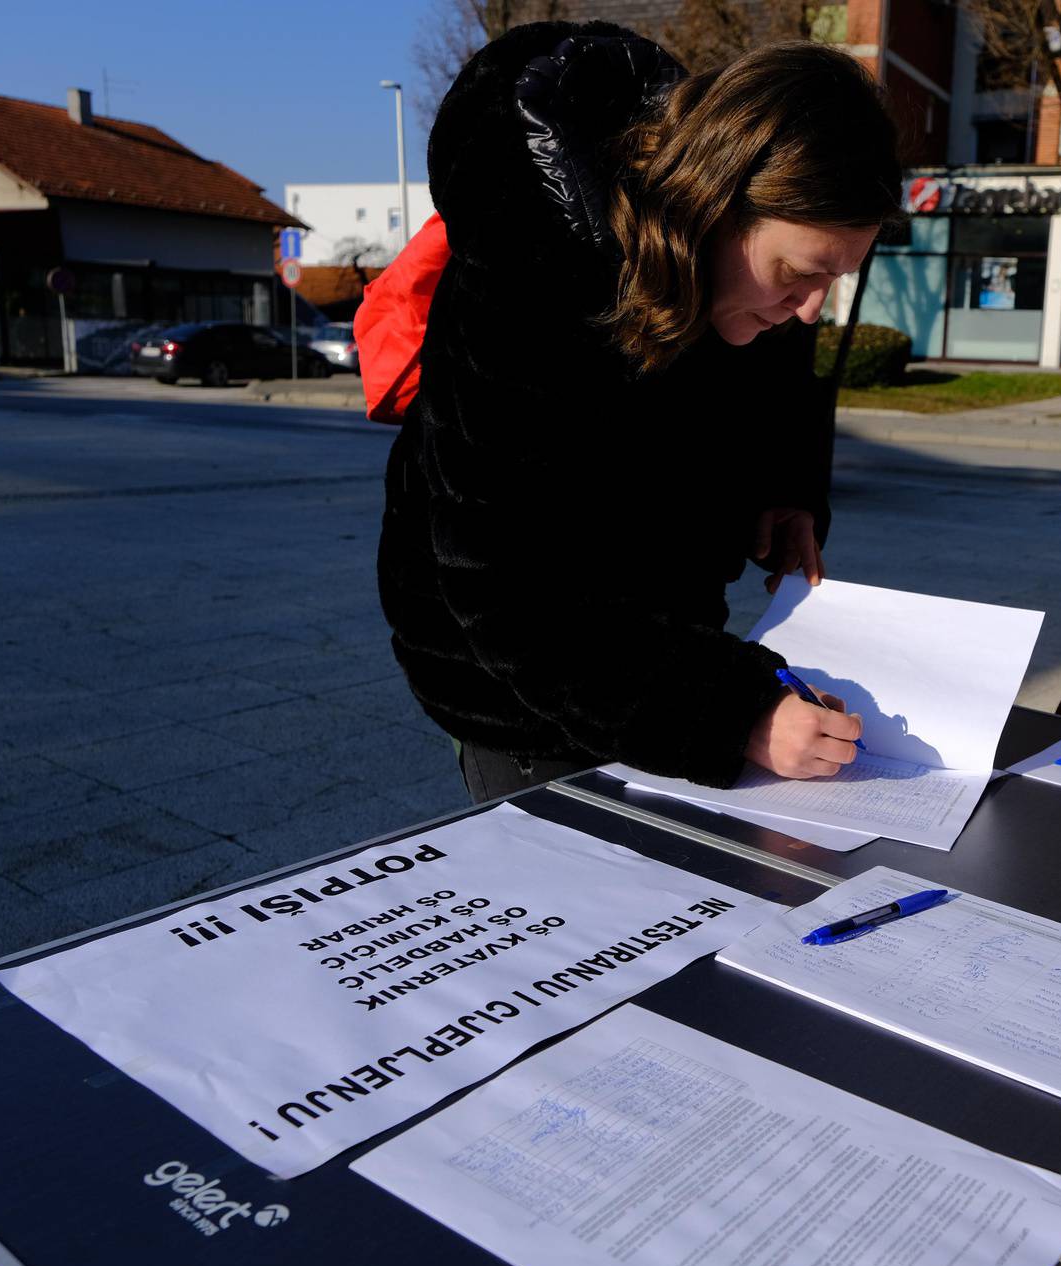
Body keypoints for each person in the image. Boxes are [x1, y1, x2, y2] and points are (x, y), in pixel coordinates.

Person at [376, 23, 903, 802]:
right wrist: (735, 715)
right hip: (527, 708)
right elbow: (510, 594)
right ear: (714, 205)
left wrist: (783, 487)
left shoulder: (730, 270)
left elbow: (772, 379)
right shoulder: (533, 286)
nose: (809, 309)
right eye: (798, 273)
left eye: (836, 279)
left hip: (656, 658)